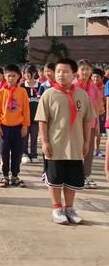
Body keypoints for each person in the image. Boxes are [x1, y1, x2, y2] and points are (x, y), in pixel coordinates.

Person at [35, 58, 95, 225]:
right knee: (54, 179)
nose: (61, 74)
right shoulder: (48, 94)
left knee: (72, 179)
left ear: (74, 74)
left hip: (75, 146)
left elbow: (87, 120)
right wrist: (45, 142)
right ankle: (57, 208)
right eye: (58, 71)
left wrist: (86, 142)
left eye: (65, 71)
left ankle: (69, 208)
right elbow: (42, 120)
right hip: (55, 145)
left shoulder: (82, 95)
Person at [0, 64, 30, 188]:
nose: (11, 78)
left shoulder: (22, 91)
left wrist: (25, 125)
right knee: (4, 152)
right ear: (4, 76)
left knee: (17, 152)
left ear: (18, 76)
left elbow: (26, 110)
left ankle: (15, 175)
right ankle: (5, 176)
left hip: (18, 127)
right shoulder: (1, 92)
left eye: (14, 76)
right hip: (4, 127)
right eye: (8, 76)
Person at [75, 59, 99, 189]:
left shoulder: (93, 86)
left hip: (90, 123)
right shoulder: (74, 86)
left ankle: (86, 175)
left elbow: (95, 106)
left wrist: (97, 125)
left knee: (89, 151)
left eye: (88, 69)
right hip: (76, 124)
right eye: (82, 69)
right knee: (77, 150)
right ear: (77, 71)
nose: (85, 72)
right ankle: (77, 176)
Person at [21, 64, 41, 164]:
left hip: (36, 117)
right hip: (24, 117)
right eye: (25, 73)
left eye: (29, 73)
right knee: (24, 136)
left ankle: (34, 154)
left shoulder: (40, 86)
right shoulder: (22, 86)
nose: (27, 75)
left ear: (34, 73)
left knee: (34, 136)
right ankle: (24, 153)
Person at [92, 68, 105, 158]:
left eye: (98, 77)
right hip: (90, 113)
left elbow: (105, 100)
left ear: (102, 78)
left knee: (98, 133)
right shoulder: (89, 87)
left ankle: (97, 150)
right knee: (89, 133)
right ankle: (90, 149)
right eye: (94, 77)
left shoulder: (104, 88)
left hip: (100, 113)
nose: (96, 79)